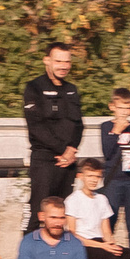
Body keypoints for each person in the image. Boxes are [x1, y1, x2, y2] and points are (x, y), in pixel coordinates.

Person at [24, 42, 87, 220]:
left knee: (63, 215)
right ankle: (29, 240)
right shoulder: (34, 88)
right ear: (47, 61)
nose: (63, 66)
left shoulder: (71, 90)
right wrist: (63, 150)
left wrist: (71, 150)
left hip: (68, 162)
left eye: (67, 62)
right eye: (58, 61)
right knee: (39, 213)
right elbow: (36, 127)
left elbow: (79, 125)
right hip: (44, 161)